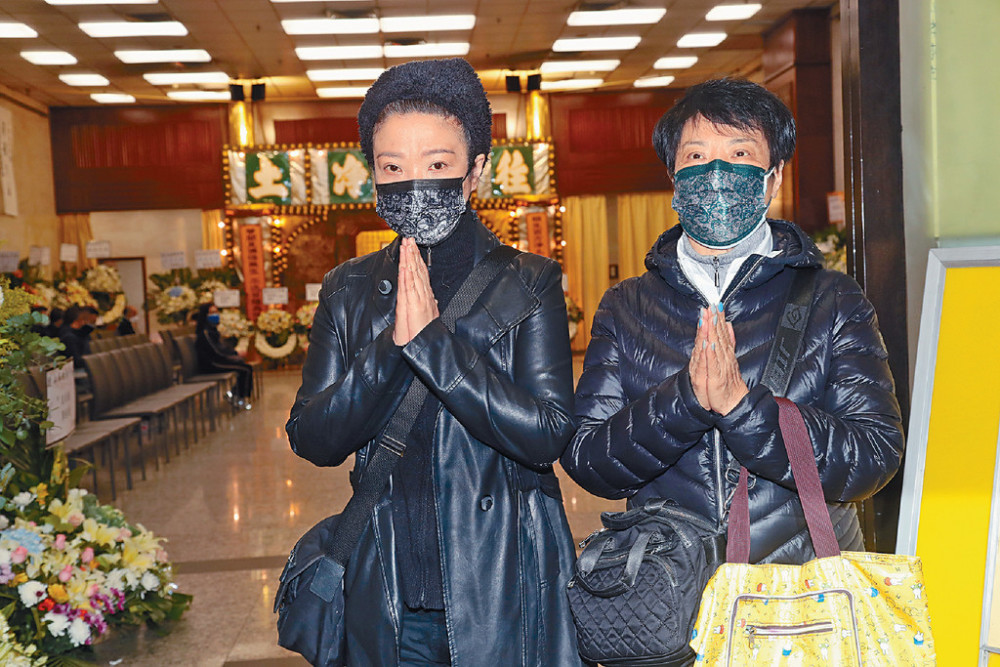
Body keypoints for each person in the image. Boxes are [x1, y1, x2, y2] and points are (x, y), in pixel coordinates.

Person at [285, 58, 580, 665]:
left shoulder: (530, 282)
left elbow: (547, 434)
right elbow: (313, 437)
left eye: (437, 165)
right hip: (386, 587)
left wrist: (432, 346)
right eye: (393, 167)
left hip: (505, 583)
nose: (414, 182)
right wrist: (392, 348)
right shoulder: (349, 288)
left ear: (476, 172)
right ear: (372, 177)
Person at [561, 78, 904, 565]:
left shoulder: (833, 300)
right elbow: (590, 461)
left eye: (741, 154)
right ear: (673, 177)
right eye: (697, 157)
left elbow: (873, 455)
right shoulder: (627, 306)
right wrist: (687, 402)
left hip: (797, 598)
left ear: (775, 177)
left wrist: (743, 410)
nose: (717, 172)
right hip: (668, 599)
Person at [194, 303, 253, 410]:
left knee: (245, 367)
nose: (215, 315)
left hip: (218, 361)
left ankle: (235, 395)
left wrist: (234, 354)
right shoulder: (205, 332)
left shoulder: (213, 330)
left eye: (216, 312)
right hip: (211, 364)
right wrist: (233, 357)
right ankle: (239, 398)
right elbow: (216, 352)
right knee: (245, 370)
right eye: (212, 312)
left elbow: (222, 348)